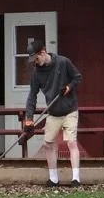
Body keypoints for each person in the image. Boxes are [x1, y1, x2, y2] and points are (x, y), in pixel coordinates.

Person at [23, 40, 84, 188]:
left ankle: (76, 179)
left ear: (43, 53)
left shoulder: (63, 62)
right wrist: (29, 119)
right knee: (48, 144)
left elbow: (77, 77)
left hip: (70, 110)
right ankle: (53, 179)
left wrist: (69, 87)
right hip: (53, 112)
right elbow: (32, 96)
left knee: (71, 142)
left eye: (36, 59)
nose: (35, 62)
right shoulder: (36, 73)